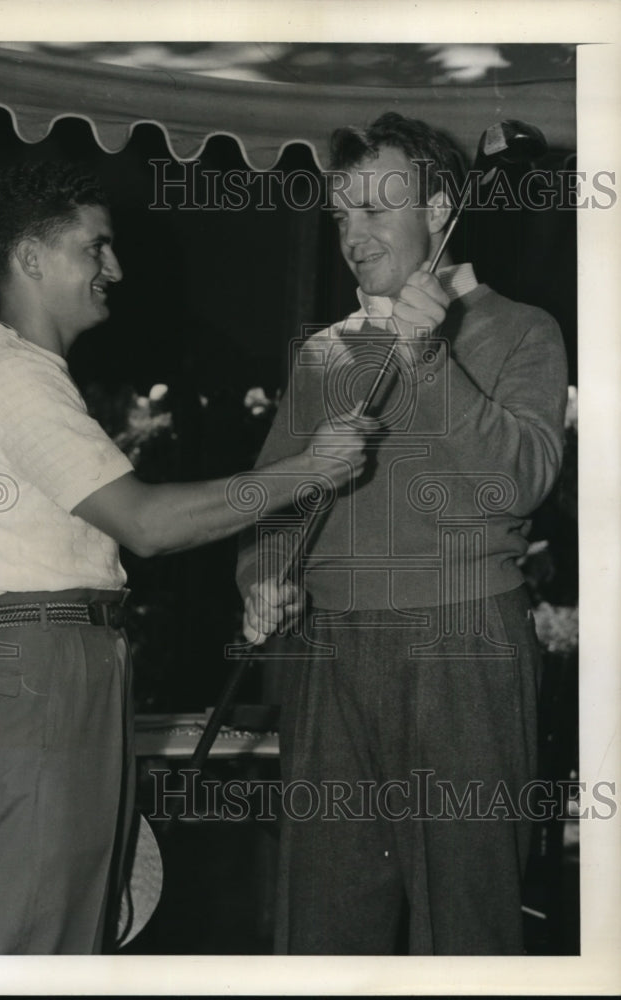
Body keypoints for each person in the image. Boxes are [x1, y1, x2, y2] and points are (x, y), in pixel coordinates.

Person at [0, 160, 375, 955]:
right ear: (31, 257)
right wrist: (311, 469)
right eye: (94, 248)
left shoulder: (22, 375)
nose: (116, 270)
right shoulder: (10, 377)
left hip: (64, 660)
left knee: (70, 943)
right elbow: (148, 523)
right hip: (42, 666)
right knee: (31, 955)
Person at [236, 112, 568, 955]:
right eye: (342, 214)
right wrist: (261, 576)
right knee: (322, 925)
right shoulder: (322, 353)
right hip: (330, 655)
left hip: (463, 644)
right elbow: (272, 503)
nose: (354, 234)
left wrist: (427, 361)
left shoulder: (523, 329)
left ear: (441, 210)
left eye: (378, 208)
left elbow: (524, 476)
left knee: (467, 927)